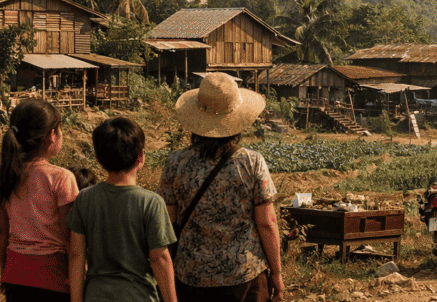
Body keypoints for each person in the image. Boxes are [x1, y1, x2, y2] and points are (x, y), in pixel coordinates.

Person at [159, 73, 284, 302]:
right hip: (245, 275)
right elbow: (267, 223)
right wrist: (276, 273)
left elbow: (169, 222)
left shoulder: (175, 162)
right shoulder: (252, 162)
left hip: (191, 275)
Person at [67, 117, 177, 302]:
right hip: (138, 296)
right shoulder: (151, 202)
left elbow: (76, 254)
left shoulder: (85, 198)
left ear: (97, 158)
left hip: (96, 296)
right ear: (141, 157)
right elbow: (160, 259)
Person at [0, 99, 78, 302]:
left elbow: (2, 233)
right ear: (51, 136)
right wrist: (78, 279)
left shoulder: (7, 174)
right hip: (53, 277)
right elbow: (69, 238)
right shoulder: (61, 178)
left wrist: (3, 272)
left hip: (14, 275)